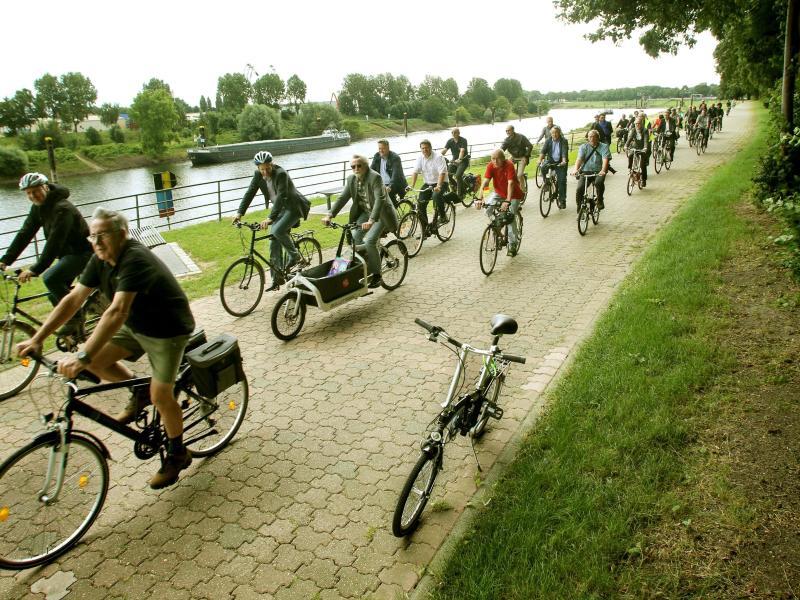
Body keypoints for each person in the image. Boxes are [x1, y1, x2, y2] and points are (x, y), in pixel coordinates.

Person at [17, 207, 196, 489]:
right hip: (137, 324)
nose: (97, 242)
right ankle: (138, 392)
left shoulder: (134, 258)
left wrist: (81, 355)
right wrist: (37, 338)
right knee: (96, 362)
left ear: (122, 235)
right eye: (92, 237)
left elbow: (116, 312)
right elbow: (73, 300)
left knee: (161, 394)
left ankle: (177, 453)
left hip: (166, 329)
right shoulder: (100, 259)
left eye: (103, 236)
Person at [0, 173, 92, 336]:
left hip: (82, 253)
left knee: (50, 278)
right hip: (67, 255)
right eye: (28, 193)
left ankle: (76, 318)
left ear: (46, 187)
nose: (32, 196)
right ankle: (77, 332)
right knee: (53, 295)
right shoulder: (39, 207)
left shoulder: (62, 208)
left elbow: (54, 242)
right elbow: (25, 233)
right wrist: (5, 260)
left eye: (35, 191)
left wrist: (35, 269)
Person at [234, 151, 311, 291]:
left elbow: (281, 196)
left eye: (267, 168)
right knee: (273, 243)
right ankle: (277, 279)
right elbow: (250, 192)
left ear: (272, 164)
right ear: (258, 168)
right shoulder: (258, 175)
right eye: (262, 169)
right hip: (280, 209)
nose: (265, 172)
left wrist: (270, 218)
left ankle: (296, 257)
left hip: (293, 207)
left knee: (276, 230)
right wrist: (240, 213)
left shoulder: (281, 174)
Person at [322, 155, 399, 288]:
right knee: (354, 240)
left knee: (369, 241)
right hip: (365, 212)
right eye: (353, 166)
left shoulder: (375, 177)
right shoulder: (351, 178)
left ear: (366, 166)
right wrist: (330, 215)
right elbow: (342, 198)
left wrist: (371, 220)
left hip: (380, 215)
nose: (356, 169)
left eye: (359, 166)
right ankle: (342, 273)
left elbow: (379, 200)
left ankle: (377, 275)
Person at [476, 149, 524, 256]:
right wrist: (481, 197)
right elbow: (486, 182)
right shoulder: (491, 166)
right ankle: (497, 228)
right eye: (493, 158)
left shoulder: (509, 165)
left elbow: (511, 183)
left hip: (514, 195)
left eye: (497, 159)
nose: (495, 161)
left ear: (503, 158)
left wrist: (507, 201)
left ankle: (512, 244)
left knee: (509, 217)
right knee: (487, 210)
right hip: (498, 192)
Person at [408, 139, 448, 238]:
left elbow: (442, 173)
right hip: (428, 184)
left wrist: (438, 186)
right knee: (420, 205)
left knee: (436, 195)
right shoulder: (420, 158)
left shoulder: (438, 157)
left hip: (441, 182)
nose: (424, 150)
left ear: (430, 148)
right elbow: (415, 172)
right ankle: (425, 230)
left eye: (426, 148)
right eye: (423, 148)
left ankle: (443, 216)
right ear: (420, 149)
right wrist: (412, 185)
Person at [572, 130, 611, 210]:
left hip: (599, 171)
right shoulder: (583, 147)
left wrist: (603, 170)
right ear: (588, 138)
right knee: (580, 188)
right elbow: (579, 159)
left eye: (594, 136)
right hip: (585, 171)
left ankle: (600, 200)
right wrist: (575, 169)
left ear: (598, 138)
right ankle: (579, 208)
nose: (592, 138)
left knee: (598, 182)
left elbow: (605, 159)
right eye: (590, 137)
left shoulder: (604, 146)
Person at [538, 125, 569, 209]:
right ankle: (547, 183)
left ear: (559, 133)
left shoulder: (564, 141)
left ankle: (562, 200)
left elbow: (564, 152)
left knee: (562, 181)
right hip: (551, 160)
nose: (554, 134)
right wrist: (539, 160)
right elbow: (543, 151)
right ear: (550, 134)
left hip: (560, 162)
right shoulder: (548, 140)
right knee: (543, 167)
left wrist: (563, 161)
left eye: (556, 133)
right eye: (552, 133)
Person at [370, 139, 407, 206]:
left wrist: (390, 186)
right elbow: (371, 170)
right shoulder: (377, 156)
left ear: (388, 148)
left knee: (389, 204)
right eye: (379, 148)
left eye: (383, 148)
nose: (381, 150)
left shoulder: (395, 158)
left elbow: (395, 175)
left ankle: (393, 214)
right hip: (382, 184)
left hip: (396, 185)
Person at [501, 125, 533, 190]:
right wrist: (498, 155)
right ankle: (511, 183)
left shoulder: (521, 137)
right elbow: (502, 149)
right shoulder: (507, 140)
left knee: (520, 175)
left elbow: (530, 146)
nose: (507, 132)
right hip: (513, 157)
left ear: (513, 130)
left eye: (508, 130)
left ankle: (523, 190)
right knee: (504, 169)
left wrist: (526, 156)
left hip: (522, 157)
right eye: (506, 131)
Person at [441, 128, 470, 197]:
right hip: (454, 161)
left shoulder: (463, 140)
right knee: (447, 174)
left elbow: (462, 151)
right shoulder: (450, 141)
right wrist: (438, 157)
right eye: (452, 133)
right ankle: (456, 187)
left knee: (458, 175)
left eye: (455, 132)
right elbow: (444, 150)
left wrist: (460, 159)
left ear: (459, 133)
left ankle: (460, 194)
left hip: (463, 161)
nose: (453, 134)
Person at [626, 115, 651, 187]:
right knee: (630, 155)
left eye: (639, 123)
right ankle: (631, 170)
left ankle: (644, 180)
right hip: (635, 147)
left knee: (643, 165)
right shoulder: (633, 130)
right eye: (636, 123)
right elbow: (630, 138)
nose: (637, 125)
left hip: (643, 148)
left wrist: (645, 148)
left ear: (642, 124)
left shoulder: (645, 130)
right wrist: (626, 146)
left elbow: (646, 140)